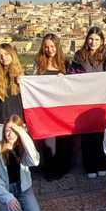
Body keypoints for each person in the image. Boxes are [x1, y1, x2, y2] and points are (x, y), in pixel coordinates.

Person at [69, 27, 106, 179]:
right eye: (91, 38)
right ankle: (89, 166)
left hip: (102, 102)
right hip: (84, 101)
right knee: (87, 135)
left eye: (97, 39)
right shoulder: (78, 57)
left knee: (102, 134)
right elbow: (72, 76)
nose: (93, 42)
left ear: (102, 41)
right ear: (86, 39)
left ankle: (102, 163)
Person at [0, 115, 42, 211]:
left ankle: (23, 209)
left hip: (24, 188)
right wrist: (8, 198)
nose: (10, 134)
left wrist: (23, 134)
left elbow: (35, 161)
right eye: (7, 130)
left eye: (14, 130)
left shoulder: (23, 147)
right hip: (7, 189)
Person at [33, 33, 72, 181]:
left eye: (52, 46)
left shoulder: (66, 63)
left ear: (57, 47)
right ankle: (49, 169)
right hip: (45, 109)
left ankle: (63, 168)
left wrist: (66, 79)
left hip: (63, 109)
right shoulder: (38, 63)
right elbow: (33, 83)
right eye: (47, 47)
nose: (50, 49)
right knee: (48, 141)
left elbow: (74, 84)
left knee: (63, 140)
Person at [0, 43, 24, 141]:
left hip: (18, 120)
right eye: (0, 56)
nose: (3, 57)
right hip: (0, 120)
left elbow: (27, 100)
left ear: (12, 55)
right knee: (3, 151)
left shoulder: (22, 75)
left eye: (6, 54)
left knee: (19, 150)